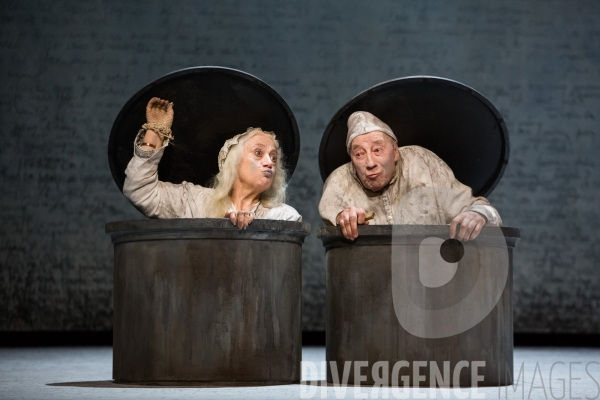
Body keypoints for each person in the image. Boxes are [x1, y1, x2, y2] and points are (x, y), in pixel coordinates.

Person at [318, 111, 502, 241]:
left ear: (395, 152)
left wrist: (478, 215)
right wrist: (344, 217)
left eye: (378, 150)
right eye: (359, 154)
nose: (370, 163)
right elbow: (331, 212)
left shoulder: (423, 163)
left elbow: (480, 207)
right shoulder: (339, 181)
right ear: (352, 160)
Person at [123, 97, 301, 228]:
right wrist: (156, 131)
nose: (269, 162)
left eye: (274, 157)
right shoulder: (195, 202)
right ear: (234, 161)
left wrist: (254, 231)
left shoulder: (283, 217)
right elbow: (140, 192)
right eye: (258, 153)